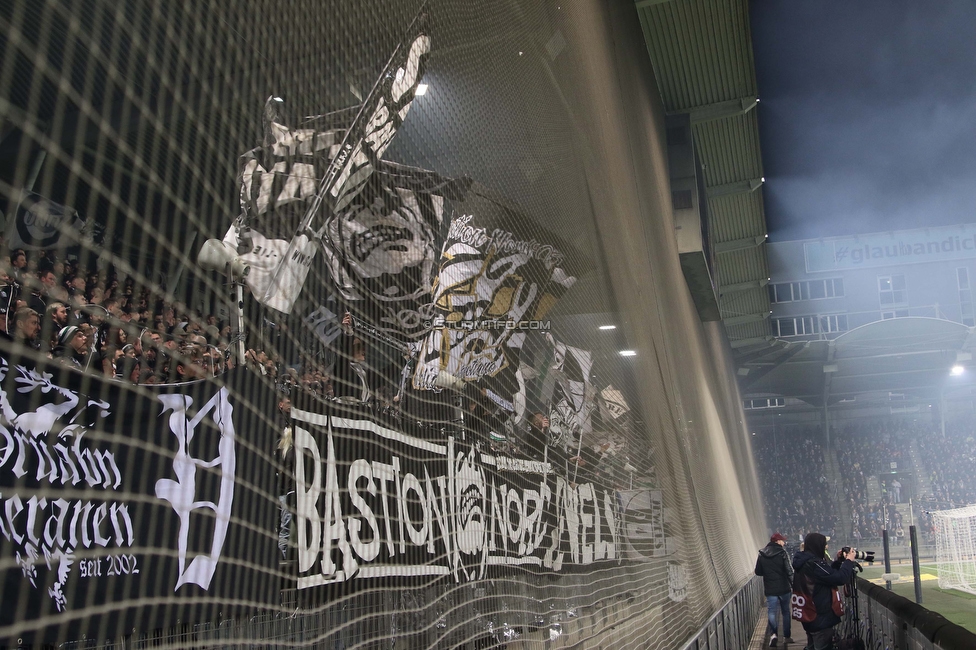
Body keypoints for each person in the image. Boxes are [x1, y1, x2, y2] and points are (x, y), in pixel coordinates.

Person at [792, 532, 857, 650]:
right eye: (824, 544)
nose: (826, 546)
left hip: (809, 615)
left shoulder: (803, 562)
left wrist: (838, 562)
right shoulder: (814, 563)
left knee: (811, 646)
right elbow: (840, 578)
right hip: (819, 618)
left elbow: (826, 576)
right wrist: (849, 561)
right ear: (817, 545)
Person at [755, 532, 794, 647]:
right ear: (777, 541)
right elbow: (789, 571)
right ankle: (787, 636)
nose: (784, 542)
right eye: (782, 540)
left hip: (770, 589)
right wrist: (794, 585)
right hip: (784, 588)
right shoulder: (782, 553)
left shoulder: (762, 554)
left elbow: (758, 572)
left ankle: (774, 634)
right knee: (785, 611)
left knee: (771, 611)